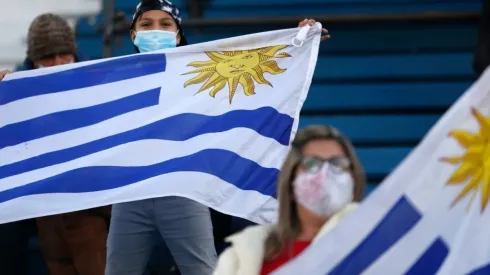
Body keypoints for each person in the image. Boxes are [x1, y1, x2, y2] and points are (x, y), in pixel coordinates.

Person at [105, 1, 330, 275]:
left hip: (183, 189)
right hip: (131, 193)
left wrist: (295, 44)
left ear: (178, 34)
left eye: (165, 24)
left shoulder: (200, 73)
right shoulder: (113, 78)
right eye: (146, 24)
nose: (155, 30)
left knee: (201, 270)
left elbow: (255, 76)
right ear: (133, 34)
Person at [0, 13, 111, 275]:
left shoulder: (100, 82)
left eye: (63, 55)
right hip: (36, 198)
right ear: (33, 61)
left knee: (79, 223)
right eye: (47, 58)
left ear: (74, 53)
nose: (56, 64)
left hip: (89, 197)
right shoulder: (15, 90)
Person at [213, 125, 366, 275]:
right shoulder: (246, 251)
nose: (325, 173)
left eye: (337, 163)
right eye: (312, 163)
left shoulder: (372, 242)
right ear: (291, 179)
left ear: (353, 176)